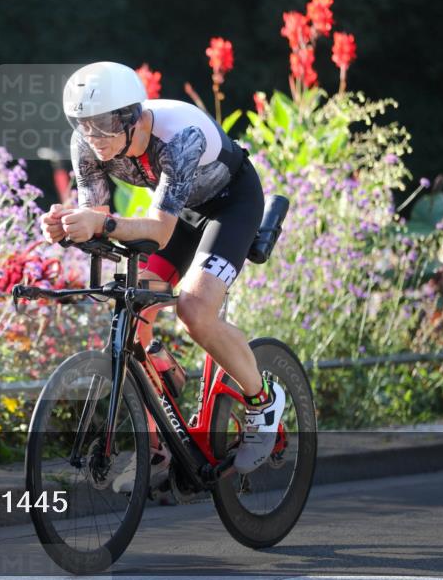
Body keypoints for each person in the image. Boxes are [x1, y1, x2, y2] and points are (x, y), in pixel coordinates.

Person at [40, 61, 285, 488]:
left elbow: (157, 230)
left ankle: (263, 403)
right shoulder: (88, 144)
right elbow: (97, 218)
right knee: (132, 313)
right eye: (84, 125)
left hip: (229, 205)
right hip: (179, 211)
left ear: (131, 117)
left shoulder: (179, 135)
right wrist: (67, 227)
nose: (93, 137)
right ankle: (157, 440)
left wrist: (100, 224)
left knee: (194, 308)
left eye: (102, 125)